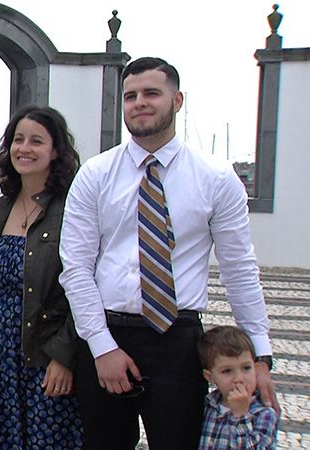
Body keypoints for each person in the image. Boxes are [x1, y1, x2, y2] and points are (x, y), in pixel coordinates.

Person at [58, 56, 278, 450]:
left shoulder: (216, 178)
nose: (139, 102)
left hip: (177, 340)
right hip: (107, 333)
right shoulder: (95, 174)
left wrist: (260, 356)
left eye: (151, 93)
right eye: (130, 96)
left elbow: (239, 268)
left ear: (177, 100)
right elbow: (75, 267)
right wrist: (102, 347)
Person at [0, 106, 83, 448]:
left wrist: (64, 356)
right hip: (2, 359)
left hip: (45, 354)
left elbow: (86, 289)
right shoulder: (1, 209)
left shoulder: (71, 208)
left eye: (36, 141)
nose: (24, 148)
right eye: (18, 139)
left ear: (56, 150)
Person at [197, 326, 278, 449]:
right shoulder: (209, 405)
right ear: (210, 377)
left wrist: (240, 416)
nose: (239, 378)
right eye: (227, 371)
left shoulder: (264, 413)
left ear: (255, 369)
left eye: (246, 368)